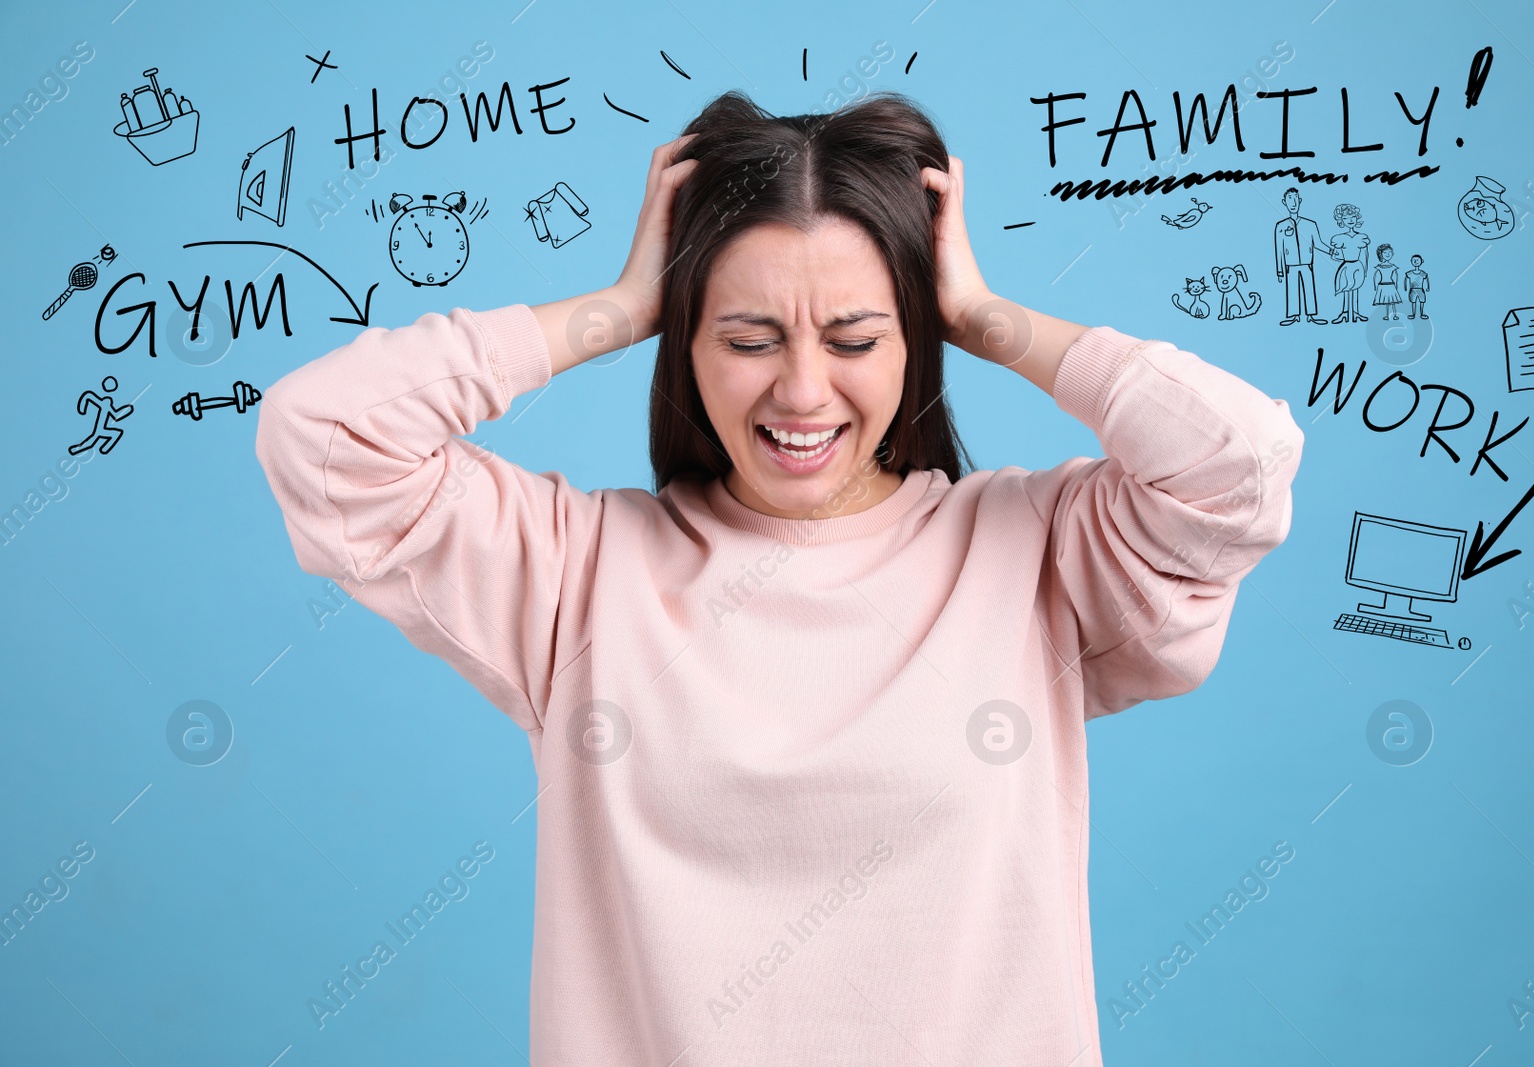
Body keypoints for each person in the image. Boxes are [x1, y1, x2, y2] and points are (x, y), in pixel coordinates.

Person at [255, 90, 1303, 1066]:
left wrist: (985, 317)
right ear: (685, 345)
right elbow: (321, 433)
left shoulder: (1037, 551)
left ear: (916, 338)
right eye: (747, 337)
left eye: (855, 337)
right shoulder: (573, 572)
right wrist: (618, 308)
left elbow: (1239, 463)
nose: (802, 389)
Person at [1272, 186, 1328, 325]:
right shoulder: (1281, 226)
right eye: (1289, 199)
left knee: (1309, 288)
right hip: (1290, 265)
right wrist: (1280, 271)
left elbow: (1319, 243)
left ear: (1300, 200)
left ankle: (1311, 315)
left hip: (1307, 264)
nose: (1293, 202)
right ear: (1284, 202)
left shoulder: (1310, 224)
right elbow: (1279, 249)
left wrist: (1332, 251)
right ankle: (1294, 315)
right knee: (1292, 290)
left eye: (1295, 198)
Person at [1326, 202, 1371, 324]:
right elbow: (1336, 256)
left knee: (1355, 289)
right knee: (1346, 289)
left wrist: (1365, 270)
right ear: (1341, 220)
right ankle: (1345, 312)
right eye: (1346, 218)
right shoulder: (1339, 238)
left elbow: (1365, 255)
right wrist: (1336, 255)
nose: (1350, 220)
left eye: (1352, 217)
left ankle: (1355, 312)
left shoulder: (1362, 237)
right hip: (1346, 266)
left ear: (1357, 218)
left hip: (1358, 266)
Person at [1371, 243, 1402, 320]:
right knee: (1386, 302)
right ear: (1381, 254)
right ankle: (1387, 315)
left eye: (1389, 252)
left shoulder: (1393, 266)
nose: (1387, 254)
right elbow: (1376, 277)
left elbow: (1395, 276)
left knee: (1393, 301)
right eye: (1385, 252)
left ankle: (1395, 314)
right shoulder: (1379, 267)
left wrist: (1396, 285)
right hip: (1382, 285)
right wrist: (1375, 286)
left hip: (1391, 285)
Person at [1406, 253, 1431, 319]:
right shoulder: (1410, 273)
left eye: (1417, 260)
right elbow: (1406, 279)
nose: (1415, 262)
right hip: (1412, 289)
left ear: (1421, 261)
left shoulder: (1423, 273)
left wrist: (1428, 287)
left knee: (1422, 302)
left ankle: (1421, 314)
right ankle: (1413, 314)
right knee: (1413, 302)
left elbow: (1427, 279)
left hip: (1420, 289)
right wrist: (1405, 287)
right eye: (1414, 260)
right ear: (1411, 261)